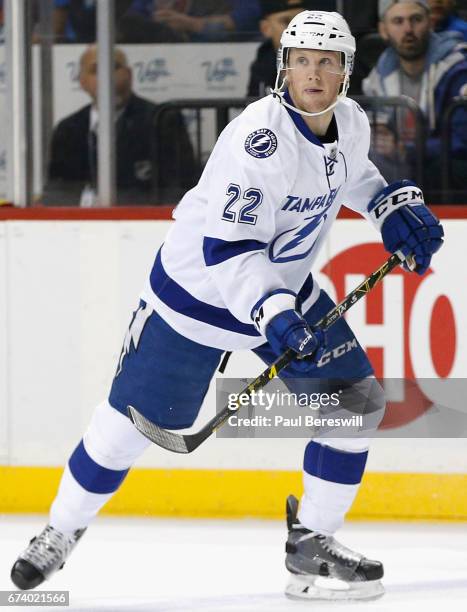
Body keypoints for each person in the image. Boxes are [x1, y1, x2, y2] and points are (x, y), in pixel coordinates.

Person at [11, 11, 443, 601]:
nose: (312, 73)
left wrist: (392, 208)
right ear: (283, 66)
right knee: (125, 429)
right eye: (301, 60)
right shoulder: (256, 140)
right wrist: (276, 314)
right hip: (199, 299)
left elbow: (353, 175)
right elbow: (228, 249)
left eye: (327, 61)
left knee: (354, 403)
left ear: (345, 71)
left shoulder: (350, 121)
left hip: (282, 289)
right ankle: (58, 531)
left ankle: (312, 544)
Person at [43, 45, 196, 206]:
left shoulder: (162, 121)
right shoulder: (68, 129)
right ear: (82, 82)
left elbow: (180, 187)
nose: (107, 77)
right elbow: (57, 192)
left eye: (114, 67)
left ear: (129, 75)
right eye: (96, 70)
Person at [362, 0, 467, 194]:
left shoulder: (458, 68)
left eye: (416, 19)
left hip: (447, 177)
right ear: (383, 30)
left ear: (430, 23)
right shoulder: (377, 77)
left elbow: (462, 139)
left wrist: (406, 150)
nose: (408, 29)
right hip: (405, 170)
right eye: (398, 21)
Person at [247, 0, 315, 97]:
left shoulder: (331, 57)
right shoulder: (262, 63)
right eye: (286, 22)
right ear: (265, 28)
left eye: (303, 21)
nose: (296, 28)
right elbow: (252, 106)